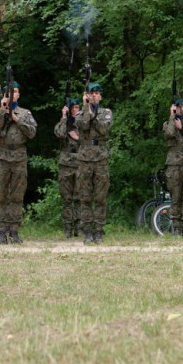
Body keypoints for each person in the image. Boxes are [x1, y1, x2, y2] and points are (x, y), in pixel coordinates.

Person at [0, 80, 37, 244]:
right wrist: (1, 111)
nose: (12, 95)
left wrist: (15, 118)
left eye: (15, 91)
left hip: (19, 157)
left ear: (18, 94)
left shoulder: (25, 113)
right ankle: (0, 231)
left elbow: (32, 133)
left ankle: (14, 231)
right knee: (0, 195)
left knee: (16, 195)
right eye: (9, 92)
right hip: (1, 157)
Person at [76, 83, 113, 244]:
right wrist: (86, 108)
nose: (94, 96)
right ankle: (88, 231)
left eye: (97, 93)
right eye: (91, 94)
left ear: (100, 96)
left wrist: (93, 114)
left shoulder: (106, 113)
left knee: (100, 196)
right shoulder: (80, 113)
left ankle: (98, 230)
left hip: (100, 159)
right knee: (85, 197)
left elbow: (104, 129)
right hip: (85, 159)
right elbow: (83, 125)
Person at [164, 98, 183, 237]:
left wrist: (182, 126)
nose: (182, 109)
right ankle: (176, 228)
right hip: (174, 164)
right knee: (176, 197)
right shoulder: (167, 123)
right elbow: (169, 134)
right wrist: (172, 117)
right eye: (179, 107)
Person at [53, 97, 81, 238]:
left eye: (78, 107)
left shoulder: (83, 123)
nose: (76, 110)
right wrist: (64, 118)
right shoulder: (64, 123)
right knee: (67, 198)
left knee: (80, 197)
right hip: (66, 164)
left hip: (80, 163)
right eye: (73, 108)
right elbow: (59, 134)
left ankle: (79, 227)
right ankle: (68, 227)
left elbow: (91, 139)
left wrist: (77, 138)